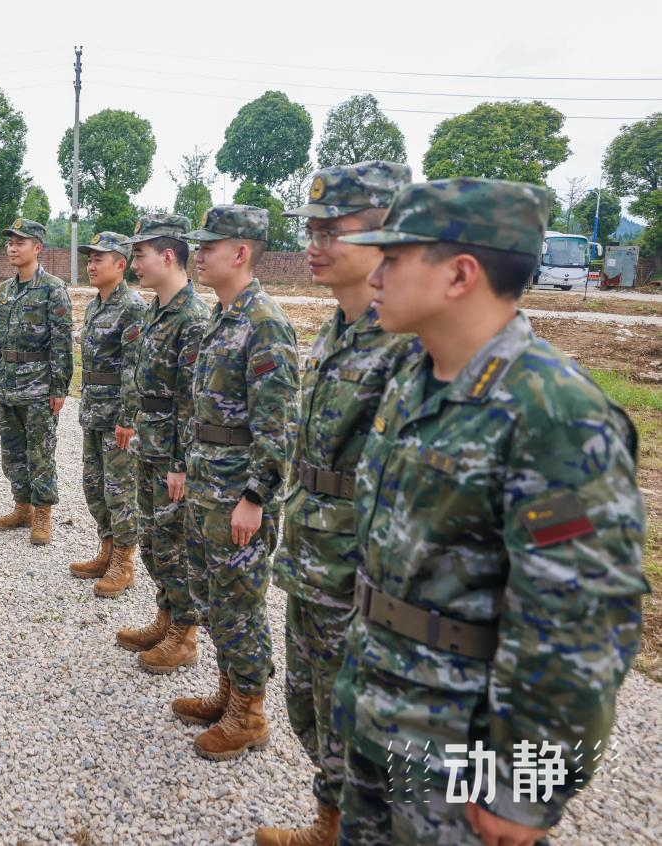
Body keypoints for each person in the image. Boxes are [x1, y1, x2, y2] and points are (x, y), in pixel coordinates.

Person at [332, 178, 647, 844]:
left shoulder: (553, 411)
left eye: (394, 257)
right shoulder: (411, 378)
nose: (376, 272)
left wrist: (524, 791)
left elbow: (577, 621)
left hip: (460, 744)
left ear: (460, 275)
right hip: (378, 703)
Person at [253, 161, 412, 846]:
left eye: (330, 230)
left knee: (364, 728)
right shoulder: (331, 331)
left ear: (388, 236)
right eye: (308, 229)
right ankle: (330, 821)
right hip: (312, 563)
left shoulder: (405, 343)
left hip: (362, 579)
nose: (312, 243)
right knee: (310, 709)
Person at [171, 205, 299, 760]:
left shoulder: (264, 322)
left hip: (237, 497)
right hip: (207, 487)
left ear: (241, 252)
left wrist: (255, 497)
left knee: (241, 603)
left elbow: (277, 426)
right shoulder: (222, 318)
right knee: (217, 599)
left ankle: (250, 711)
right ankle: (228, 692)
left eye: (209, 246)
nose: (198, 254)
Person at [114, 214, 211, 670]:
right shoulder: (157, 309)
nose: (134, 261)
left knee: (173, 545)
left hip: (170, 454)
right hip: (148, 447)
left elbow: (192, 400)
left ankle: (185, 635)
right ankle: (166, 615)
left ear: (167, 255)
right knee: (153, 542)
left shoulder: (192, 317)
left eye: (139, 253)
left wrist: (180, 463)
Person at [68, 231, 146, 597]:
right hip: (94, 411)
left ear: (121, 263)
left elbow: (134, 367)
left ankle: (124, 562)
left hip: (118, 415)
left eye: (99, 258)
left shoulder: (132, 306)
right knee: (94, 486)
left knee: (120, 491)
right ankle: (107, 548)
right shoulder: (96, 304)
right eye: (89, 258)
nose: (91, 264)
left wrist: (128, 418)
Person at [0, 217, 74, 545]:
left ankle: (42, 515)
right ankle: (21, 506)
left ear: (37, 247)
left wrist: (59, 386)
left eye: (19, 242)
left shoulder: (53, 288)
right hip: (9, 384)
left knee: (40, 452)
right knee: (12, 451)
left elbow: (62, 340)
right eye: (10, 242)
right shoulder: (6, 289)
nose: (12, 247)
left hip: (39, 385)